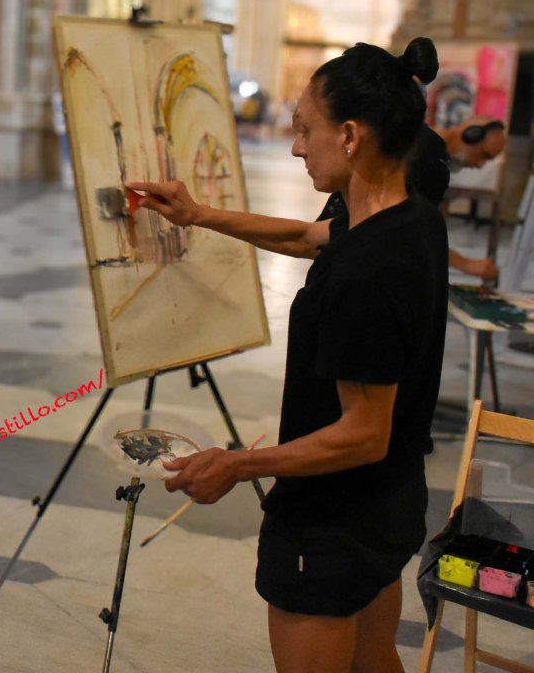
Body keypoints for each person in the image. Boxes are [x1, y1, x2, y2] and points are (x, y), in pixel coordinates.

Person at [126, 37, 448, 673]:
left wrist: (239, 464)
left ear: (351, 136)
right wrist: (197, 214)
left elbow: (363, 434)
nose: (297, 146)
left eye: (306, 131)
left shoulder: (367, 272)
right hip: (388, 506)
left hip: (331, 525)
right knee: (375, 658)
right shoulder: (409, 218)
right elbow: (306, 236)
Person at [319, 114, 505, 282]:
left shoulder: (430, 150)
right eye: (484, 155)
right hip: (353, 249)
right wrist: (467, 264)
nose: (481, 165)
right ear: (470, 135)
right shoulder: (429, 156)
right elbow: (411, 231)